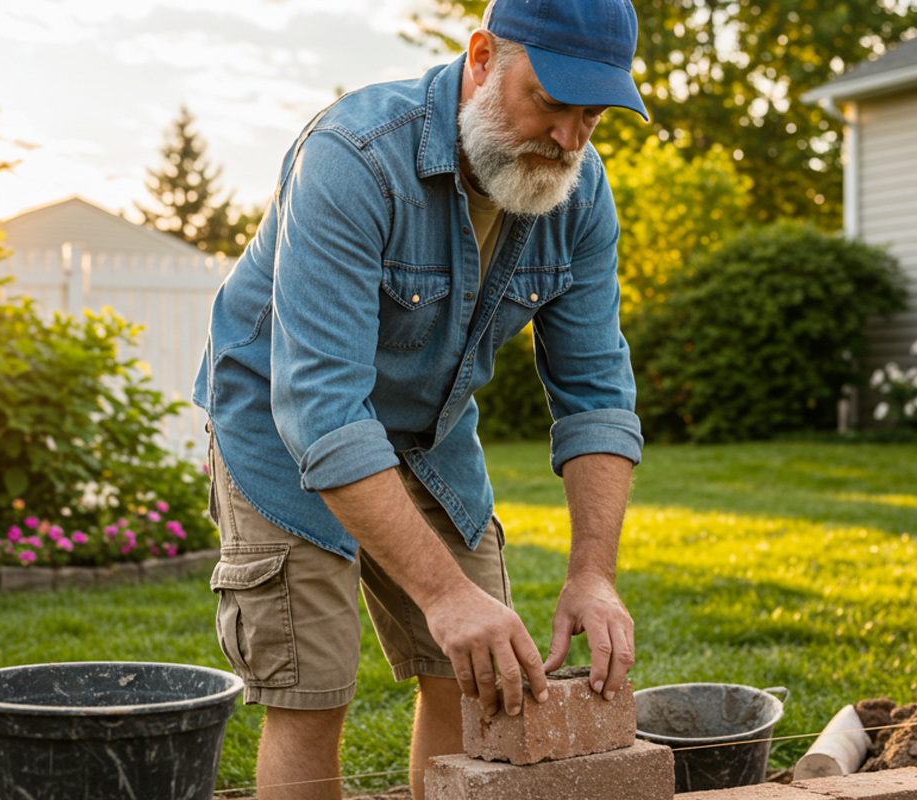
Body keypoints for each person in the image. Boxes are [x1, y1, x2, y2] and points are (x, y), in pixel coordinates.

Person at [194, 0, 649, 797]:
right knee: (314, 689)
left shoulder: (578, 194)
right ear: (481, 57)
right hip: (282, 426)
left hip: (429, 435)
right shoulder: (353, 156)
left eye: (593, 115)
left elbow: (597, 395)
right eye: (549, 102)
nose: (571, 138)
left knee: (481, 674)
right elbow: (324, 412)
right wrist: (442, 595)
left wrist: (593, 574)